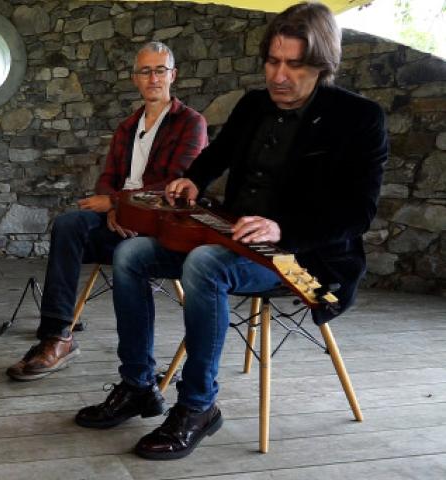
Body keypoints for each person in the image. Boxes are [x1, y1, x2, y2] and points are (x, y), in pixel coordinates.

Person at [76, 2, 388, 460]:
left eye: (294, 65)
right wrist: (193, 180)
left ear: (322, 66)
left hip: (298, 254)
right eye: (272, 61)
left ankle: (198, 405)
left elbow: (358, 212)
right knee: (131, 255)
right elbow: (217, 153)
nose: (278, 76)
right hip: (229, 235)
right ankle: (138, 385)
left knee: (204, 265)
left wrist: (283, 226)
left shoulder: (359, 118)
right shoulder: (254, 103)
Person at [6, 42, 208, 381]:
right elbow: (107, 178)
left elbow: (174, 186)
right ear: (135, 79)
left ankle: (136, 373)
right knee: (69, 225)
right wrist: (115, 206)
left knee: (127, 247)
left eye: (160, 70)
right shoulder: (127, 127)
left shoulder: (191, 123)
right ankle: (57, 337)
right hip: (121, 219)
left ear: (173, 75)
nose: (153, 78)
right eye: (145, 71)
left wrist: (118, 204)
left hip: (158, 229)